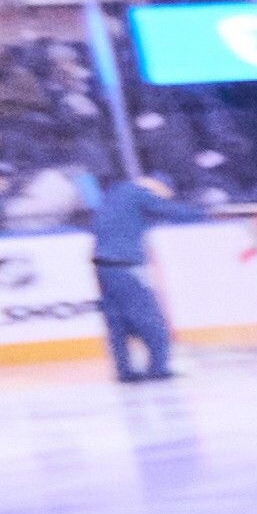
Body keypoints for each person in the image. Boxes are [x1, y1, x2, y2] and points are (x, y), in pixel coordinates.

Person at [74, 157, 189, 385]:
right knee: (149, 318)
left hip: (103, 265)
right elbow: (170, 211)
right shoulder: (138, 192)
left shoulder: (116, 195)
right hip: (125, 264)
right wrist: (207, 214)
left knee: (117, 322)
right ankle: (158, 367)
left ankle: (124, 371)